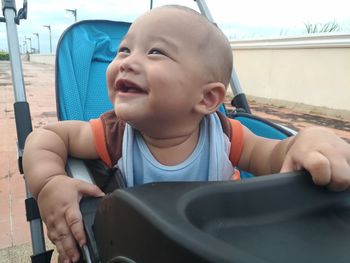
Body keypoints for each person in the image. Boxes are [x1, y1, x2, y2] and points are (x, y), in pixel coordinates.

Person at [23, 5, 350, 263]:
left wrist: (311, 139)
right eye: (123, 51)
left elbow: (277, 153)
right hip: (143, 247)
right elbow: (45, 138)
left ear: (207, 98)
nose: (126, 61)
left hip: (218, 243)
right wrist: (50, 183)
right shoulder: (115, 134)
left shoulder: (225, 136)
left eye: (155, 53)